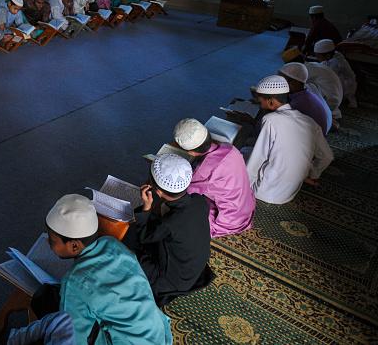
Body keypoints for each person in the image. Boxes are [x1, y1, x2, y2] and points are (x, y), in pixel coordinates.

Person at [38, 194, 173, 344]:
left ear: (75, 246)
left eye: (52, 240)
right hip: (158, 335)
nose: (48, 243)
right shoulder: (112, 244)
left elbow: (73, 339)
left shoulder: (74, 282)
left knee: (44, 302)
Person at [129, 154, 212, 306]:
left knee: (127, 249)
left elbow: (144, 236)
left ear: (158, 192)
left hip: (174, 281)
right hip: (195, 268)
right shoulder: (199, 200)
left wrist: (146, 208)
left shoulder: (169, 224)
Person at [247, 75, 334, 204]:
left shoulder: (271, 120)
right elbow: (327, 156)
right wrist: (313, 174)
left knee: (243, 151)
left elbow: (258, 157)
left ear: (271, 102)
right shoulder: (309, 121)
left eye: (261, 102)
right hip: (290, 193)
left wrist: (244, 185)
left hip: (263, 191)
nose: (260, 105)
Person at [173, 119, 256, 238]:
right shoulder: (229, 148)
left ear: (191, 152)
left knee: (180, 213)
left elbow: (183, 191)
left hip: (230, 219)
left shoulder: (204, 172)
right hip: (246, 205)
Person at [283, 48, 343, 128]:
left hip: (331, 102)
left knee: (301, 88)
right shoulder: (311, 65)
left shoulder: (303, 71)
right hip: (336, 98)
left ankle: (327, 118)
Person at [279, 62, 332, 135]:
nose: (279, 84)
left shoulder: (299, 102)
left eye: (282, 81)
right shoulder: (307, 91)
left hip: (315, 139)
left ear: (295, 82)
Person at [314, 38, 358, 108]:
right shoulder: (334, 56)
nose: (317, 58)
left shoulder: (336, 63)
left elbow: (326, 76)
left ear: (327, 55)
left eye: (318, 56)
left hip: (346, 87)